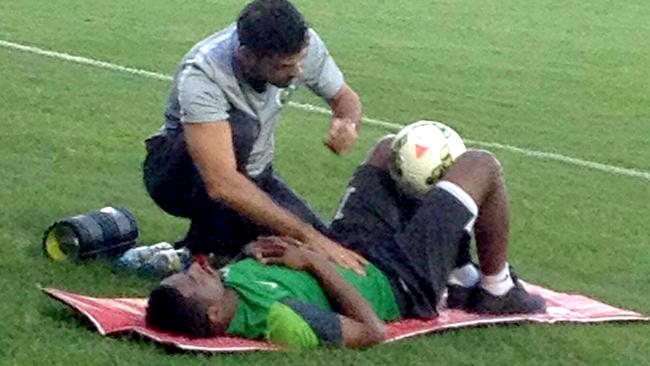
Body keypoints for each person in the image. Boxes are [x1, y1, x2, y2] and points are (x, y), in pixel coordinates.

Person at [145, 138, 546, 348]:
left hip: (348, 250)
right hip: (398, 280)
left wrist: (258, 251)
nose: (198, 268)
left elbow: (259, 264)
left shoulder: (226, 285)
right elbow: (372, 331)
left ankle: (459, 274)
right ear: (215, 315)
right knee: (480, 165)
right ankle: (496, 288)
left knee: (390, 150)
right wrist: (310, 262)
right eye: (195, 280)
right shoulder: (281, 319)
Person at [142, 0, 365, 271]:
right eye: (285, 66)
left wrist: (347, 123)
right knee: (241, 130)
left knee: (328, 258)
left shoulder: (301, 47)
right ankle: (204, 252)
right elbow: (221, 183)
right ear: (247, 56)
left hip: (256, 174)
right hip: (176, 177)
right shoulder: (204, 75)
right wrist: (306, 234)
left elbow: (345, 98)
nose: (298, 72)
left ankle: (214, 248)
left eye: (300, 60)